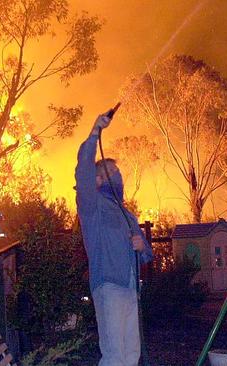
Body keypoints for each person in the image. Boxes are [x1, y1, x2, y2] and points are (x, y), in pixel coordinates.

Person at [75, 111, 153, 366]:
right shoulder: (92, 205)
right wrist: (95, 130)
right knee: (114, 356)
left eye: (118, 173)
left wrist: (143, 247)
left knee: (132, 354)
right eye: (112, 172)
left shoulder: (127, 214)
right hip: (107, 285)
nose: (117, 177)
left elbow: (147, 253)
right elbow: (83, 169)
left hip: (131, 288)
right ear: (98, 180)